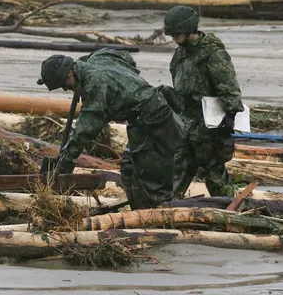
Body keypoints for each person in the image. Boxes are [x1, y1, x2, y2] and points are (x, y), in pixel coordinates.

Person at [37, 49, 182, 209]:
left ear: (70, 74)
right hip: (140, 123)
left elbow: (85, 130)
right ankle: (140, 213)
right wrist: (121, 91)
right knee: (128, 170)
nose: (66, 90)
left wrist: (66, 160)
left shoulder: (95, 86)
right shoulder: (99, 57)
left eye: (65, 86)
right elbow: (127, 58)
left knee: (152, 181)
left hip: (155, 122)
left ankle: (162, 216)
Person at [161, 5, 243, 199]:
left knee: (214, 173)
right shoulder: (179, 55)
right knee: (176, 170)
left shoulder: (213, 54)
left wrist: (229, 118)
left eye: (176, 34)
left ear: (188, 29)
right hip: (185, 124)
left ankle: (230, 207)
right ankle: (166, 207)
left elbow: (229, 88)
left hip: (209, 125)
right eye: (172, 35)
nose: (174, 39)